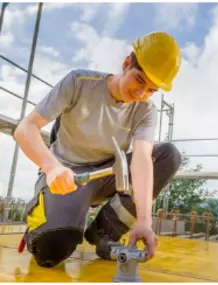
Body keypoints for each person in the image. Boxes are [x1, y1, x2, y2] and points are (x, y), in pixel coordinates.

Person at [14, 31, 182, 268]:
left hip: (107, 176)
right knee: (52, 250)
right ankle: (42, 224)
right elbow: (25, 129)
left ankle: (104, 233)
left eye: (152, 90)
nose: (141, 94)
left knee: (168, 156)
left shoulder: (145, 110)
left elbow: (143, 159)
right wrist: (51, 167)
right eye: (139, 80)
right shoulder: (79, 83)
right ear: (126, 64)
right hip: (67, 176)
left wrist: (144, 220)